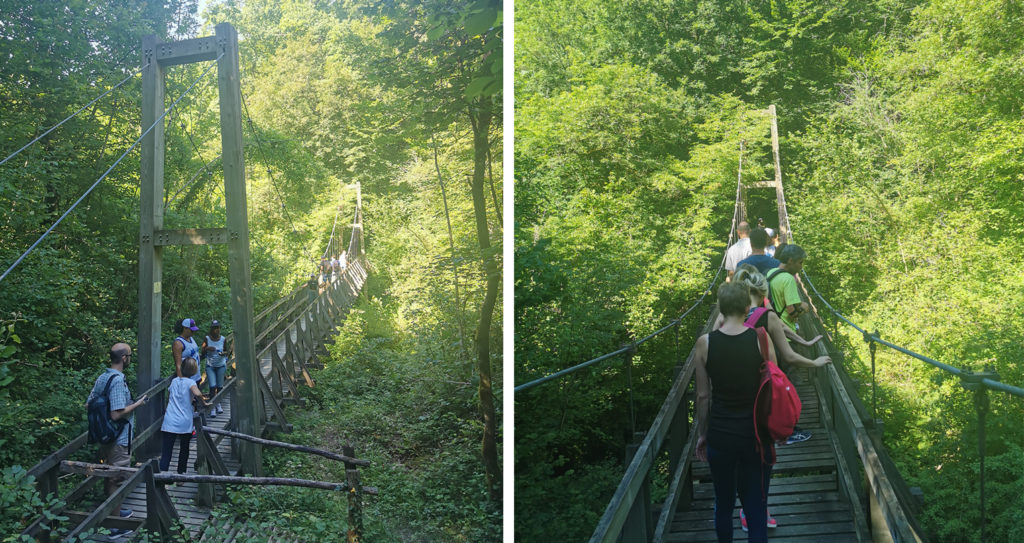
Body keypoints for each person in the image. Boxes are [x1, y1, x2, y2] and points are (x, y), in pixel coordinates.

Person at [695, 282, 774, 542]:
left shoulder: (705, 343)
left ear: (720, 307)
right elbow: (773, 384)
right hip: (755, 434)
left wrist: (703, 434)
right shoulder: (761, 338)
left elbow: (704, 396)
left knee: (724, 502)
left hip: (721, 434)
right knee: (755, 504)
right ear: (747, 307)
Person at [725, 265, 831, 452]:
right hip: (761, 377)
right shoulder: (767, 315)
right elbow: (789, 356)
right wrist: (814, 362)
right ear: (763, 292)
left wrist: (803, 341)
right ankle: (780, 434)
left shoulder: (726, 314)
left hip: (732, 377)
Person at [87, 343, 148, 537]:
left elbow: (89, 404)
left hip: (104, 436)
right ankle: (115, 526)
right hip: (118, 437)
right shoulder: (117, 380)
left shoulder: (102, 377)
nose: (130, 358)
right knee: (118, 479)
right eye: (129, 355)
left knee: (110, 474)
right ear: (123, 358)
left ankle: (115, 511)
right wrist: (137, 404)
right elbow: (116, 414)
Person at [159, 357, 209, 481]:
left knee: (167, 449)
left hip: (170, 419)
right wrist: (203, 403)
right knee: (184, 448)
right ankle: (181, 474)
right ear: (194, 370)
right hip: (184, 420)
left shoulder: (175, 381)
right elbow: (197, 393)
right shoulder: (191, 383)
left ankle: (163, 474)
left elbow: (171, 396)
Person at [766, 245, 810, 333]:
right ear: (790, 261)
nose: (801, 267)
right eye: (800, 262)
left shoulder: (771, 272)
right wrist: (804, 308)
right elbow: (792, 312)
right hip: (787, 332)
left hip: (772, 328)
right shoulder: (789, 279)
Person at [201, 320, 230, 417]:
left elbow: (227, 351)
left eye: (217, 328)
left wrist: (224, 354)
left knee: (220, 386)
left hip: (221, 365)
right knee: (212, 386)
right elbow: (202, 353)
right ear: (211, 329)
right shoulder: (207, 339)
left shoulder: (223, 339)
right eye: (214, 328)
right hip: (210, 366)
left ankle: (218, 404)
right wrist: (207, 349)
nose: (216, 330)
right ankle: (212, 406)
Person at [173, 318, 202, 383]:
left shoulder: (191, 338)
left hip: (196, 376)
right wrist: (181, 382)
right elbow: (178, 364)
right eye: (191, 330)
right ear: (185, 328)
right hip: (188, 380)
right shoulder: (178, 343)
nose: (193, 332)